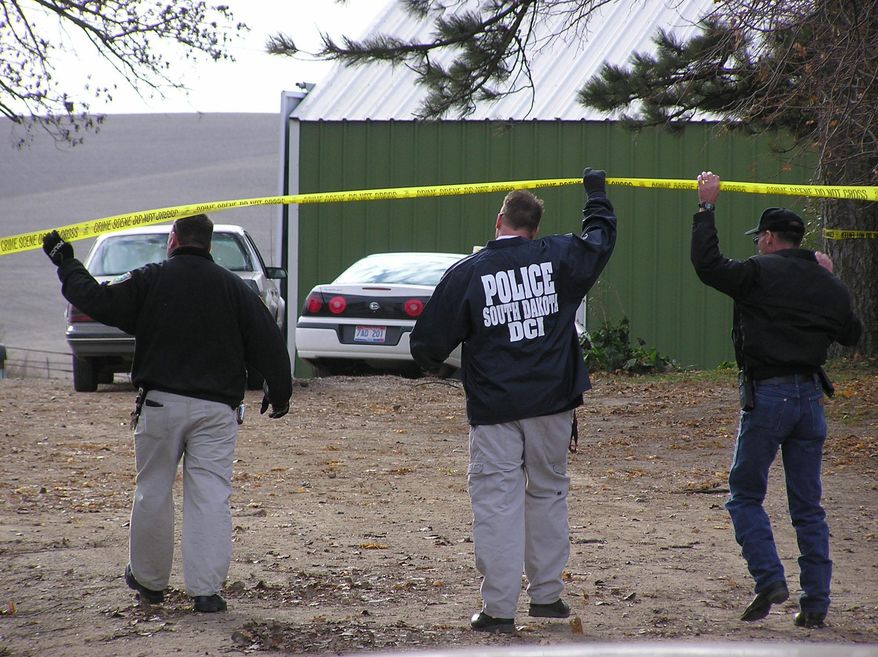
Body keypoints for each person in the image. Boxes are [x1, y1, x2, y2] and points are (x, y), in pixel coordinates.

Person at [42, 215, 293, 613]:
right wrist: (279, 393)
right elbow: (269, 341)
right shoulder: (235, 289)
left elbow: (95, 299)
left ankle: (150, 583)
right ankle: (206, 593)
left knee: (154, 490)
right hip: (217, 410)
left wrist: (66, 261)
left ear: (173, 239)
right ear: (209, 245)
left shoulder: (150, 279)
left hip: (159, 404)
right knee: (210, 496)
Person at [410, 169, 617, 633]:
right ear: (535, 229)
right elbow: (600, 239)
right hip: (552, 404)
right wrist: (596, 195)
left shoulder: (468, 273)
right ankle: (547, 596)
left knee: (498, 505)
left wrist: (448, 357)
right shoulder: (559, 257)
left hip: (495, 410)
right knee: (547, 494)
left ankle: (500, 609)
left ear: (499, 218)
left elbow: (426, 346)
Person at [691, 171, 861, 628]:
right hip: (811, 399)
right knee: (807, 505)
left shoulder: (756, 273)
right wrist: (830, 281)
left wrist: (706, 207)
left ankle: (769, 579)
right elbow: (852, 334)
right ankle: (816, 603)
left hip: (768, 396)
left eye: (760, 238)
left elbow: (708, 266)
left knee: (745, 494)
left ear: (768, 238)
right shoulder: (826, 282)